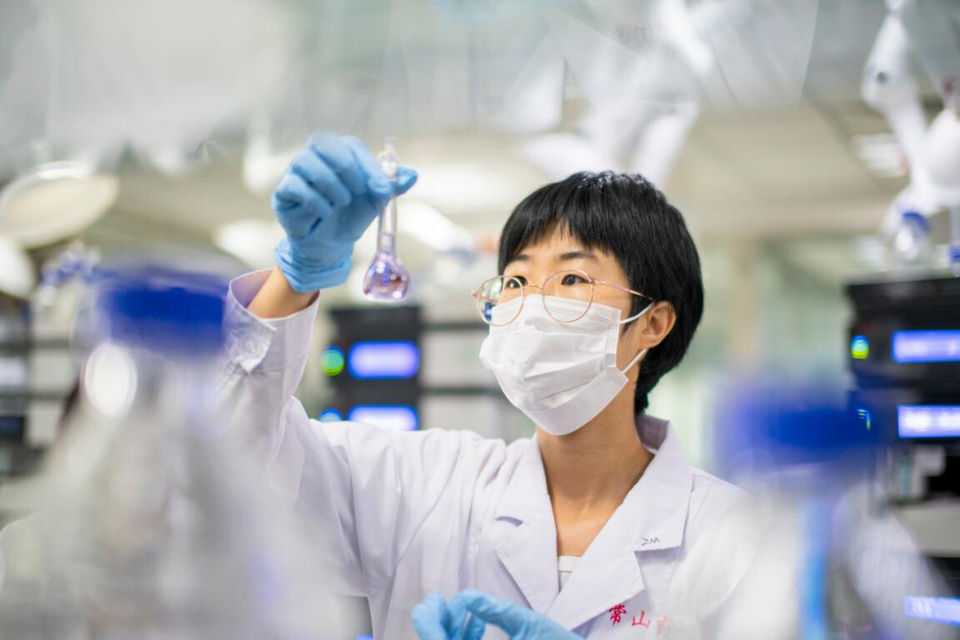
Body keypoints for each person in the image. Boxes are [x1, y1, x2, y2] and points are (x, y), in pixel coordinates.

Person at [218, 131, 760, 639]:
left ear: (653, 323)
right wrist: (296, 278)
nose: (530, 303)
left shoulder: (731, 534)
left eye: (572, 277)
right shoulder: (422, 485)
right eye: (517, 281)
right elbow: (234, 462)